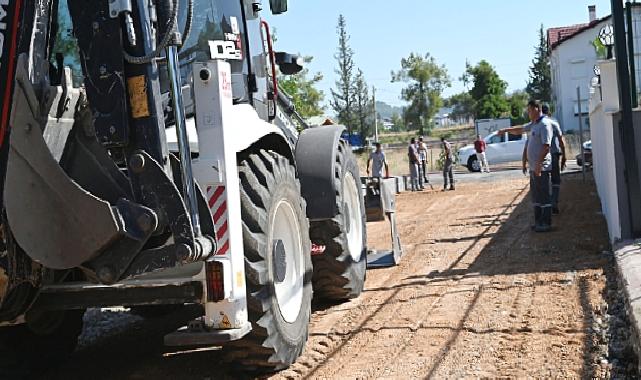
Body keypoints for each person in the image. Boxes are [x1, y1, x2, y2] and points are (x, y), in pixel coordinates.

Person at [522, 100, 553, 233]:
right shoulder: (534, 124)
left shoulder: (545, 124)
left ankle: (546, 223)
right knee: (536, 196)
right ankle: (538, 221)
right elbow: (520, 129)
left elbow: (546, 147)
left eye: (530, 110)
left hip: (542, 168)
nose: (528, 113)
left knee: (544, 196)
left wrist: (539, 164)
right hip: (534, 168)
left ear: (537, 109)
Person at [542, 104, 566, 214]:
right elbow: (561, 141)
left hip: (544, 156)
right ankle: (554, 202)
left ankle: (547, 204)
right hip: (554, 153)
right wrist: (564, 156)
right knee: (556, 180)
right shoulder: (554, 121)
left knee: (545, 181)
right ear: (549, 112)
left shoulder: (539, 123)